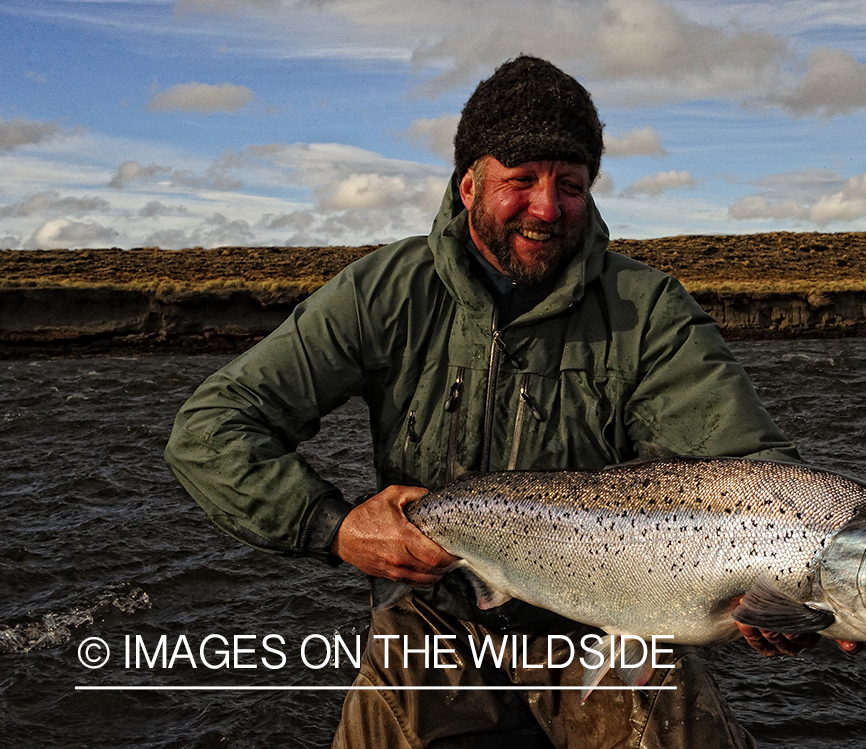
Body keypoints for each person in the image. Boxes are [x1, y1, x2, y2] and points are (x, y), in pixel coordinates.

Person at [166, 55, 815, 748]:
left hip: (607, 621)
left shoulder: (647, 310)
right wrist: (335, 526)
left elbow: (758, 475)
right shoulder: (384, 292)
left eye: (569, 184)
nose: (546, 207)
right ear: (467, 181)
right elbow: (210, 430)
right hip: (434, 616)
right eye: (521, 179)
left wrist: (797, 588)